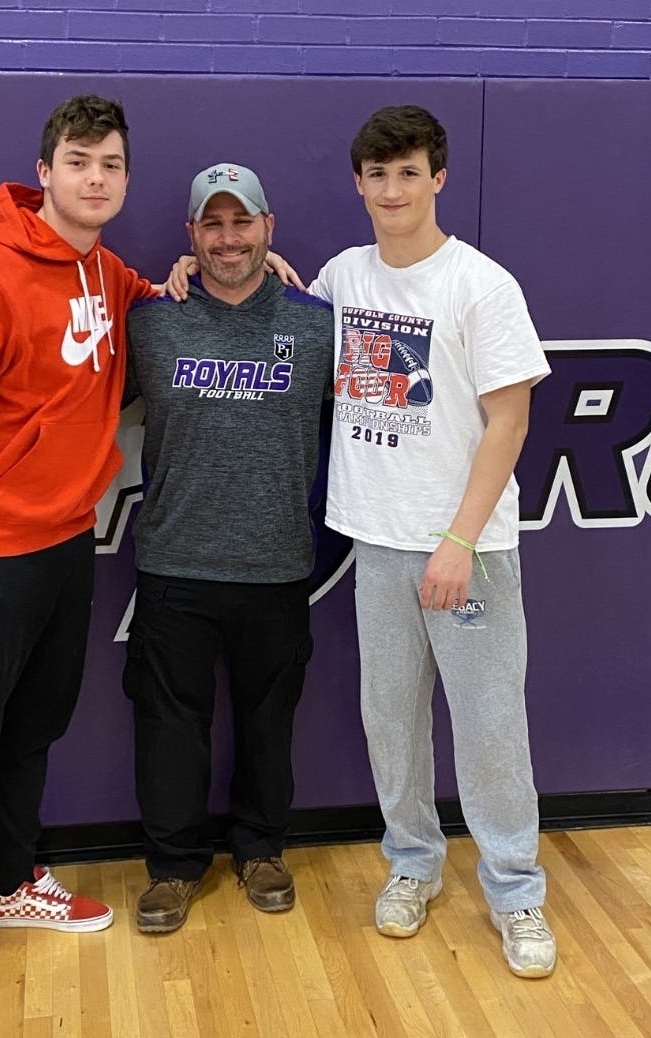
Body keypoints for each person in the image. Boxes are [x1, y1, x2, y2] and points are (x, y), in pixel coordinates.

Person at [0, 93, 175, 995]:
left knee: (34, 728)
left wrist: (181, 275)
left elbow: (149, 298)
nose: (96, 179)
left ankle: (13, 882)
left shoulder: (105, 272)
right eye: (79, 163)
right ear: (45, 171)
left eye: (112, 165)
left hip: (66, 542)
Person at [305, 105, 558, 978]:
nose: (392, 190)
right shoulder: (342, 278)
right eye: (377, 175)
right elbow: (275, 310)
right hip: (377, 543)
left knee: (489, 725)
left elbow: (510, 419)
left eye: (408, 173)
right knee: (391, 720)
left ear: (438, 178)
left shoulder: (481, 285)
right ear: (358, 183)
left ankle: (516, 892)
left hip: (466, 549)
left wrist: (457, 539)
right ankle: (412, 863)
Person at [123, 162, 334, 933]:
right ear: (192, 235)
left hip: (276, 565)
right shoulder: (151, 322)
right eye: (212, 224)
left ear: (268, 226)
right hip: (174, 564)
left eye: (242, 221)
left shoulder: (318, 324)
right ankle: (173, 866)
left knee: (268, 724)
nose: (228, 238)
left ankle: (261, 848)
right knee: (169, 727)